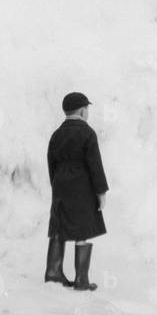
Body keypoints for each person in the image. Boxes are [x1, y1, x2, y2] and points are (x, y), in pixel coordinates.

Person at [46, 91, 109, 292]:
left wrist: (55, 185)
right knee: (82, 228)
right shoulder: (87, 133)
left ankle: (53, 272)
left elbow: (51, 163)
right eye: (87, 109)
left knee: (59, 227)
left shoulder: (56, 134)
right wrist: (101, 192)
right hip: (82, 187)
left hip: (60, 186)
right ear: (82, 111)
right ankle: (81, 279)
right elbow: (95, 165)